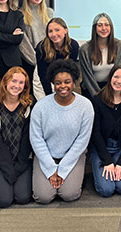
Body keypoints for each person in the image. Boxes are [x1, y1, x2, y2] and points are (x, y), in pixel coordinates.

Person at [29, 59, 94, 204]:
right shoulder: (41, 106)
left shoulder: (85, 105)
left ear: (74, 82)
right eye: (58, 83)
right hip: (46, 157)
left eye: (67, 82)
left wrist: (63, 170)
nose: (62, 86)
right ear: (53, 83)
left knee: (69, 194)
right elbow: (36, 139)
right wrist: (51, 170)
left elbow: (82, 141)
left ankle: (70, 178)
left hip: (73, 156)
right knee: (43, 197)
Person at [0, 66, 33, 208]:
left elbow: (27, 140)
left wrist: (19, 168)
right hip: (0, 160)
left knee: (23, 197)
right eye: (13, 81)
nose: (17, 86)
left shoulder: (28, 105)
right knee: (4, 201)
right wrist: (8, 170)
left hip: (22, 160)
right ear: (5, 82)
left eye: (21, 83)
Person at [90, 65, 121, 197]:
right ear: (110, 78)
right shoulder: (97, 100)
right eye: (116, 76)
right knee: (106, 190)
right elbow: (95, 133)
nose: (119, 81)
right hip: (101, 148)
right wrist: (107, 161)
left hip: (120, 148)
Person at [79, 13, 121, 98]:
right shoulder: (85, 49)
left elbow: (119, 72)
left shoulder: (120, 46)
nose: (104, 28)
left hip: (113, 89)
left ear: (111, 27)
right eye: (100, 25)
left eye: (107, 25)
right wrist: (99, 97)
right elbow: (87, 77)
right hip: (91, 90)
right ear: (94, 28)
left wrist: (110, 93)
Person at [18, 0, 53, 94]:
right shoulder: (20, 14)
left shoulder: (50, 13)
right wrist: (37, 61)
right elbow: (23, 43)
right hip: (31, 63)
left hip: (50, 61)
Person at [36, 17, 80, 95]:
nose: (54, 34)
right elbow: (42, 75)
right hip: (43, 81)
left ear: (65, 30)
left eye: (57, 30)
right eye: (50, 31)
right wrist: (49, 95)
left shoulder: (73, 45)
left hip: (63, 80)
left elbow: (71, 72)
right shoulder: (41, 47)